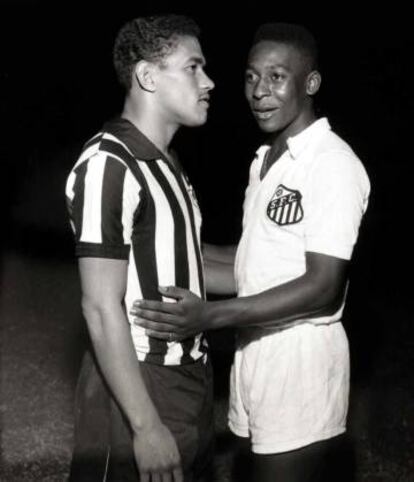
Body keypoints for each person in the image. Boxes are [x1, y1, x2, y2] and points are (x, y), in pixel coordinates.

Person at [131, 22, 370, 481]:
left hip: (301, 369)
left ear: (310, 83)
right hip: (255, 360)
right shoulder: (266, 161)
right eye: (250, 77)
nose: (259, 91)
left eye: (276, 77)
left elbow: (323, 286)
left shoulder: (331, 164)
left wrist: (210, 317)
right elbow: (254, 264)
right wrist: (165, 250)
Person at [65, 14, 215, 482]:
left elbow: (186, 263)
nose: (208, 82)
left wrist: (298, 273)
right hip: (139, 382)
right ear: (147, 76)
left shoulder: (168, 163)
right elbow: (99, 304)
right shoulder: (110, 163)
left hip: (191, 375)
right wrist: (146, 425)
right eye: (193, 68)